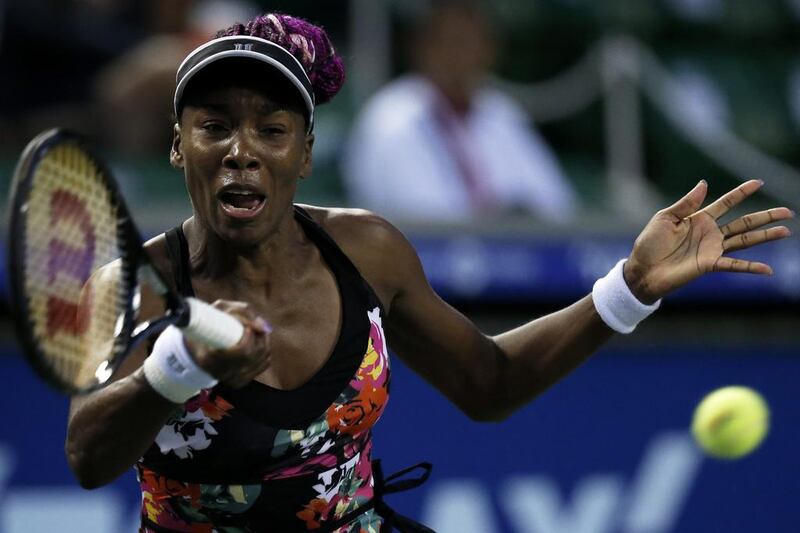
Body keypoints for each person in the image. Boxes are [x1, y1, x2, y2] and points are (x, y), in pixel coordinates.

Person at [64, 11, 794, 533]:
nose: (241, 150)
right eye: (214, 125)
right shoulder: (138, 285)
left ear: (306, 153)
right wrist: (177, 367)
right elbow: (87, 456)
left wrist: (627, 290)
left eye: (272, 128)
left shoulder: (368, 250)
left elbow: (488, 383)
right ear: (177, 147)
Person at [343, 0, 579, 224]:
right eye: (451, 42)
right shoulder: (390, 115)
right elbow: (422, 218)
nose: (461, 56)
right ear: (422, 48)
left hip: (509, 256)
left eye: (472, 43)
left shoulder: (501, 111)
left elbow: (558, 205)